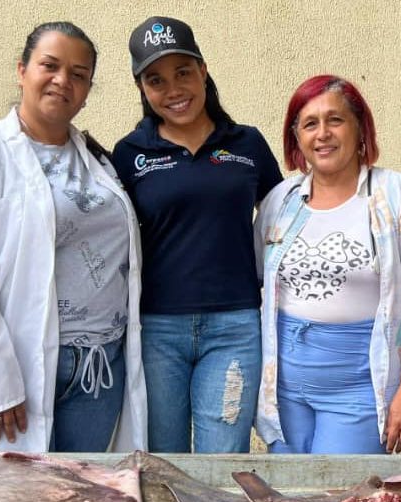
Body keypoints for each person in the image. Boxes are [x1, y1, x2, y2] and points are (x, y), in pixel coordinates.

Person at [0, 22, 147, 452]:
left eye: (79, 74)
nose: (64, 80)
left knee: (84, 501)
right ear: (22, 69)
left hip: (99, 371)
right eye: (50, 65)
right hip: (19, 368)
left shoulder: (98, 161)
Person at [112, 17, 283, 453]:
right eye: (156, 80)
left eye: (183, 73)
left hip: (235, 327)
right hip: (157, 330)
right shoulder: (130, 154)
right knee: (162, 463)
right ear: (142, 89)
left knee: (223, 462)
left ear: (204, 71)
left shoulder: (247, 145)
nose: (173, 90)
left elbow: (289, 215)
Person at [254, 75, 401, 455]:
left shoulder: (396, 194)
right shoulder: (280, 201)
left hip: (358, 387)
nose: (323, 134)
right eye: (310, 124)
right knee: (290, 501)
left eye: (335, 120)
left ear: (360, 128)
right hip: (286, 391)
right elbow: (262, 282)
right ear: (297, 138)